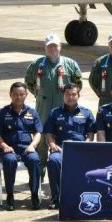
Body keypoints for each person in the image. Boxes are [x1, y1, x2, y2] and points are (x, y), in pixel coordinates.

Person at [24, 33, 83, 174]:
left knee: (63, 137)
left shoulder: (70, 64)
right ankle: (40, 171)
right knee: (43, 138)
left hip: (64, 108)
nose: (52, 49)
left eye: (55, 46)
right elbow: (29, 82)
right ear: (45, 48)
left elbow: (78, 84)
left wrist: (68, 98)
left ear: (60, 47)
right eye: (49, 46)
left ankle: (65, 171)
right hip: (43, 108)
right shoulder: (37, 65)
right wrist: (40, 95)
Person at [0, 82, 43, 211]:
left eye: (21, 94)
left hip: (27, 148)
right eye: (15, 94)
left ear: (26, 95)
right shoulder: (2, 113)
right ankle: (9, 194)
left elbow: (38, 133)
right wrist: (4, 146)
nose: (18, 97)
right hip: (9, 149)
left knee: (35, 160)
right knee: (10, 160)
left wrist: (33, 145)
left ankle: (35, 194)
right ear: (10, 95)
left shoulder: (32, 112)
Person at [43, 83, 95, 209]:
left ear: (78, 96)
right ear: (63, 96)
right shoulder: (54, 113)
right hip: (61, 149)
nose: (70, 97)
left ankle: (81, 196)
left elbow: (90, 134)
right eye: (67, 94)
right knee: (53, 161)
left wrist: (86, 145)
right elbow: (48, 133)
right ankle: (56, 198)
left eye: (73, 94)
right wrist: (52, 144)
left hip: (80, 150)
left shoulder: (87, 113)